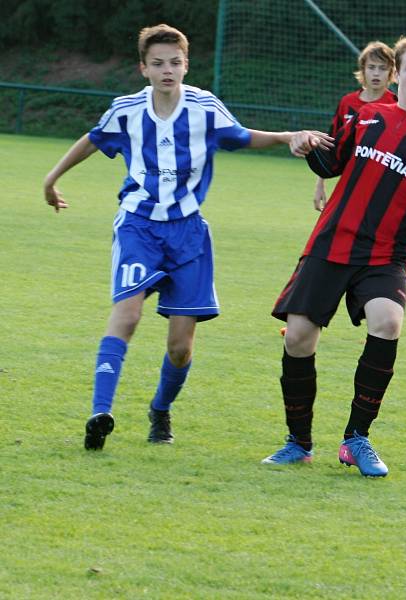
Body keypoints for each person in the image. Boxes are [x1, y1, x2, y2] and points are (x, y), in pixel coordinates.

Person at [43, 23, 331, 451]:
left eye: (175, 63)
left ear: (186, 65)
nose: (167, 70)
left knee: (180, 347)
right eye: (158, 63)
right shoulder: (126, 110)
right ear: (143, 68)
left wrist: (291, 137)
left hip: (189, 235)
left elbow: (244, 136)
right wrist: (52, 178)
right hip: (138, 225)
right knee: (127, 316)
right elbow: (92, 139)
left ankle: (160, 408)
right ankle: (99, 412)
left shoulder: (204, 108)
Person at [263, 29, 406, 477]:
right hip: (332, 241)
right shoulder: (365, 115)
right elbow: (329, 163)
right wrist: (305, 147)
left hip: (386, 254)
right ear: (398, 74)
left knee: (388, 321)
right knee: (298, 338)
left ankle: (357, 437)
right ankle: (299, 441)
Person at [312, 40, 397, 212]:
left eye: (382, 68)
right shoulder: (347, 103)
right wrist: (320, 183)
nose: (376, 73)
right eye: (372, 67)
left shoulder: (396, 104)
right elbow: (331, 145)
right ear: (363, 69)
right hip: (349, 182)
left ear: (391, 73)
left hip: (383, 184)